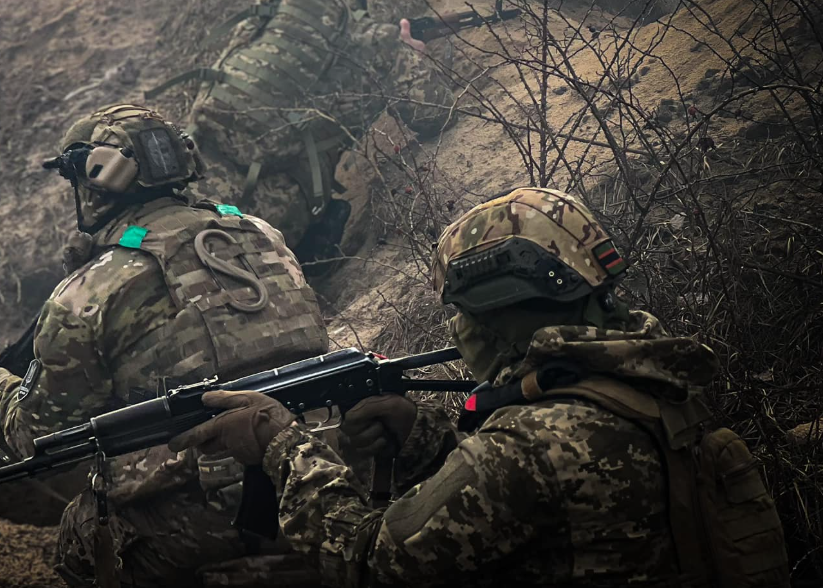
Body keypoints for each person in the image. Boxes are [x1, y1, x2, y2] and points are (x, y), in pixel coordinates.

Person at [170, 187, 790, 587]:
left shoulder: (530, 444)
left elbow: (369, 561)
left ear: (499, 309)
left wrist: (281, 445)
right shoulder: (653, 374)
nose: (456, 329)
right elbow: (541, 508)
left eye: (461, 310)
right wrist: (424, 438)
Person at [0, 104, 329, 587]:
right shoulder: (260, 234)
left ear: (98, 178)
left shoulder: (91, 289)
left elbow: (38, 437)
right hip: (318, 475)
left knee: (78, 536)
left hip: (210, 517)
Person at [145, 0, 454, 258]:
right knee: (217, 261)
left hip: (193, 170)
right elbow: (435, 113)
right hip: (269, 207)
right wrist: (409, 52)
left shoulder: (259, 22)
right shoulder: (377, 42)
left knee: (163, 251)